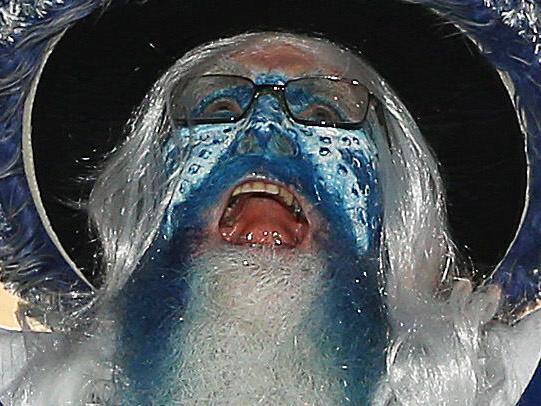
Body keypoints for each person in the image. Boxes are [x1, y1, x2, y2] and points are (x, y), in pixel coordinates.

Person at [2, 31, 541, 405]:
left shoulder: (509, 382)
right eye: (216, 107)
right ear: (145, 199)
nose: (264, 130)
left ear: (398, 207)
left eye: (325, 111)